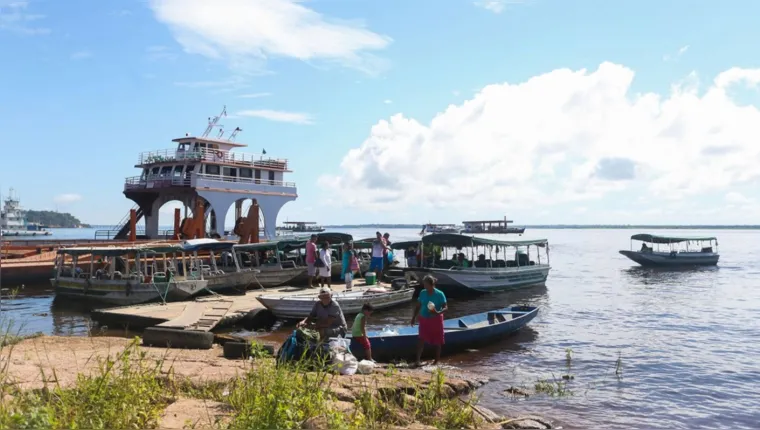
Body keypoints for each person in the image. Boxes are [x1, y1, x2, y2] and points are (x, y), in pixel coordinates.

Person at [410, 275, 448, 366]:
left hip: (436, 319)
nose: (425, 286)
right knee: (421, 339)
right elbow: (418, 306)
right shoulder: (423, 292)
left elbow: (446, 307)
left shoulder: (439, 294)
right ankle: (417, 361)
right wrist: (413, 317)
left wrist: (438, 312)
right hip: (424, 319)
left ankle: (436, 361)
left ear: (432, 285)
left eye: (426, 285)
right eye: (424, 284)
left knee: (437, 341)